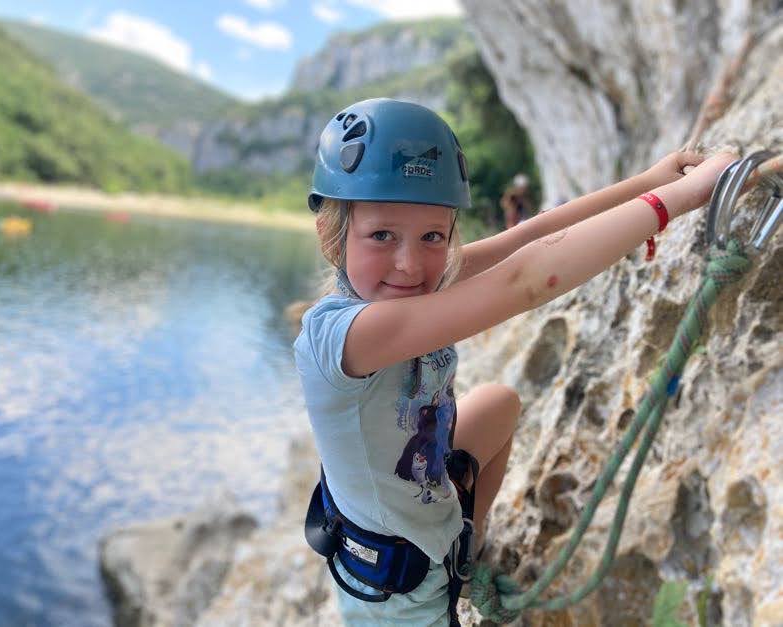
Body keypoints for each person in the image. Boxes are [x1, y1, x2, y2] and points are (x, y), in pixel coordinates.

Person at [294, 97, 733, 626]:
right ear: (333, 238)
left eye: (433, 236)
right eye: (382, 235)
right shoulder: (345, 334)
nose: (410, 264)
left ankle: (463, 550)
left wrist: (647, 180)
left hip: (421, 500)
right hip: (394, 596)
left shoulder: (407, 286)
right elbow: (525, 280)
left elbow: (527, 237)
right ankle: (447, 569)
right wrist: (684, 196)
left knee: (497, 404)